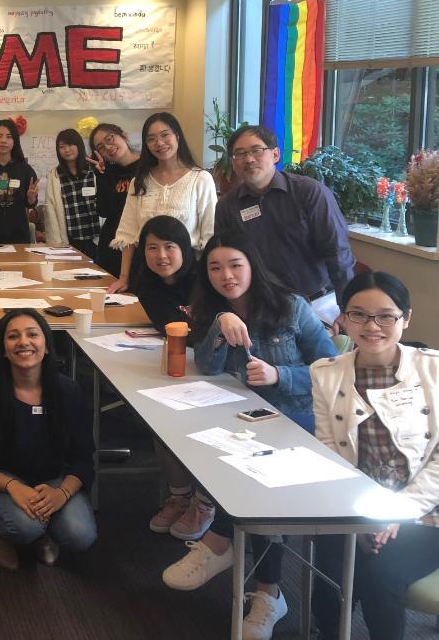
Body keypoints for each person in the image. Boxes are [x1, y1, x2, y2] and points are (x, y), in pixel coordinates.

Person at [161, 232, 336, 640]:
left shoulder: (291, 307)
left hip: (297, 422)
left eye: (235, 265)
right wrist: (220, 325)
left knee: (257, 481)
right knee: (215, 453)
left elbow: (334, 370)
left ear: (253, 266)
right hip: (244, 420)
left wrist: (281, 375)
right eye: (216, 268)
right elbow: (206, 366)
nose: (227, 275)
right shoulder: (212, 310)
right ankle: (254, 577)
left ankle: (239, 563)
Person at [310, 272, 439, 640]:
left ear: (406, 319)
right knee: (332, 576)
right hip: (358, 505)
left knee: (380, 577)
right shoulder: (326, 374)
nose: (372, 326)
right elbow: (330, 454)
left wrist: (397, 513)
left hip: (426, 509)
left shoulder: (434, 370)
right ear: (344, 318)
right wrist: (362, 519)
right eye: (359, 315)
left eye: (386, 316)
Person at [0, 310, 97, 571]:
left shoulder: (68, 391)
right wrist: (13, 486)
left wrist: (62, 493)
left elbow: (83, 457)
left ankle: (44, 529)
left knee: (80, 535)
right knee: (24, 526)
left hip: (55, 479)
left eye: (32, 334)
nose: (24, 342)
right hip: (1, 481)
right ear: (3, 349)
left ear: (46, 345)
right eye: (13, 336)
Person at [216, 124, 355, 316]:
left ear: (275, 155)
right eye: (239, 154)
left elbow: (337, 252)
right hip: (263, 307)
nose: (248, 159)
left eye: (256, 150)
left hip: (317, 304)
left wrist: (347, 308)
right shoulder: (227, 207)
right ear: (233, 162)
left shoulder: (309, 193)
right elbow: (224, 259)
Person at [130, 217, 210, 543]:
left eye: (169, 247)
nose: (161, 255)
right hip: (186, 363)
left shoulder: (205, 276)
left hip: (222, 366)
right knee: (160, 419)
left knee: (208, 429)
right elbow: (173, 327)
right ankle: (180, 497)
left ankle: (206, 503)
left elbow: (200, 330)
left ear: (184, 248)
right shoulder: (147, 286)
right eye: (152, 248)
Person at [109, 112, 215, 294]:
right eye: (151, 139)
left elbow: (209, 234)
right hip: (147, 274)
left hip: (189, 276)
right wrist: (124, 278)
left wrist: (208, 281)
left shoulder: (200, 179)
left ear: (177, 136)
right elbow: (128, 233)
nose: (159, 143)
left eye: (165, 135)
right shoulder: (139, 181)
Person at [87, 123, 140, 278]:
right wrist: (103, 176)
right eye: (101, 147)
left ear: (124, 135)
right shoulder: (108, 172)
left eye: (109, 139)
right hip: (112, 248)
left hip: (139, 248)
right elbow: (104, 211)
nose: (108, 147)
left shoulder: (147, 167)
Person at [0, 119, 38, 244]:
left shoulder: (25, 169)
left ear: (14, 141)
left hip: (18, 235)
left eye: (9, 137)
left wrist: (31, 197)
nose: (3, 140)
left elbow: (30, 204)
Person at [41, 128, 99, 258]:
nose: (67, 150)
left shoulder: (94, 170)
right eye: (62, 146)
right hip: (70, 240)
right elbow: (51, 211)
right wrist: (56, 245)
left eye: (71, 144)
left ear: (79, 145)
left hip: (96, 239)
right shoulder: (55, 175)